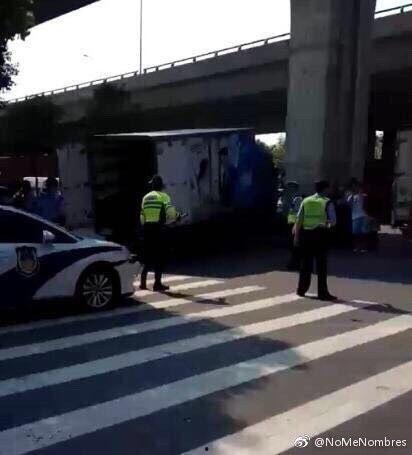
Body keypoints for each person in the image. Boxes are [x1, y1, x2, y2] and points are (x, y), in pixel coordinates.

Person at [294, 180, 337, 301]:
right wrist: (326, 225)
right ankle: (322, 293)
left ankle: (301, 289)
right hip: (320, 234)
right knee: (321, 266)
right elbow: (333, 221)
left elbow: (299, 219)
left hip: (306, 235)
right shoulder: (327, 202)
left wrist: (296, 237)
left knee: (305, 264)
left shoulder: (306, 200)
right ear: (325, 189)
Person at [139, 175, 180, 292]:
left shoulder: (145, 197)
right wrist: (177, 216)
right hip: (157, 229)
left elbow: (142, 217)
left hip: (146, 229)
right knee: (160, 256)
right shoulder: (163, 196)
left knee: (147, 256)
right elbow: (171, 214)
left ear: (152, 185)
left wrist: (145, 227)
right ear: (161, 186)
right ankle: (157, 284)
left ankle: (143, 283)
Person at [347, 179, 368, 253]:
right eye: (353, 187)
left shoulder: (363, 195)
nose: (354, 188)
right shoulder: (350, 197)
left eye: (356, 186)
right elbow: (349, 205)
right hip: (355, 217)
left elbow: (365, 202)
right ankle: (357, 247)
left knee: (362, 233)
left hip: (362, 216)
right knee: (356, 233)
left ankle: (363, 247)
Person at [287, 191, 303, 270]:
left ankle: (295, 263)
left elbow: (297, 214)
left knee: (295, 246)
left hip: (295, 225)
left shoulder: (297, 199)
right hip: (293, 224)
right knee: (294, 246)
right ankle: (295, 263)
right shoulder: (295, 200)